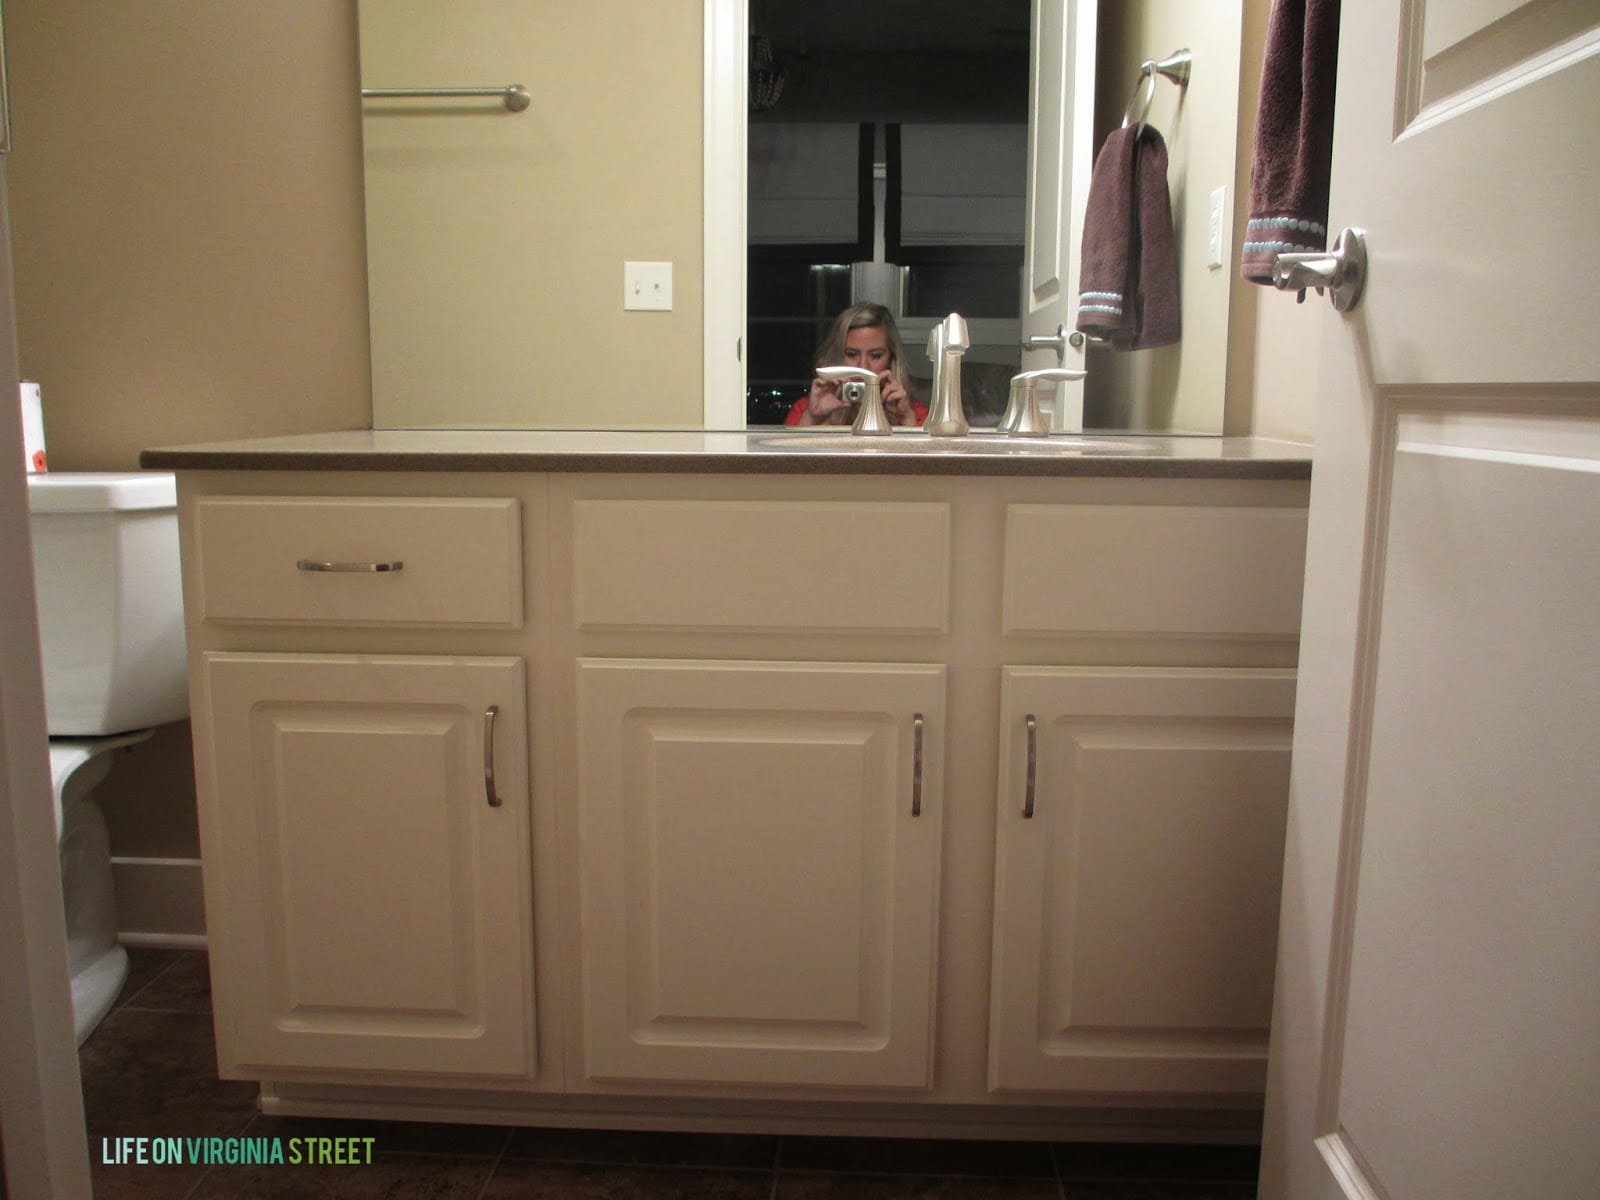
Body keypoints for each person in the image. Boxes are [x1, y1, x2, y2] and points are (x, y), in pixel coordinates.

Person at [784, 303, 927, 427]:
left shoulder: (912, 411)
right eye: (852, 354)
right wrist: (812, 417)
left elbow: (926, 457)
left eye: (875, 355)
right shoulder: (805, 409)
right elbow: (785, 457)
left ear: (891, 359)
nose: (862, 366)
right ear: (837, 356)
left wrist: (906, 419)